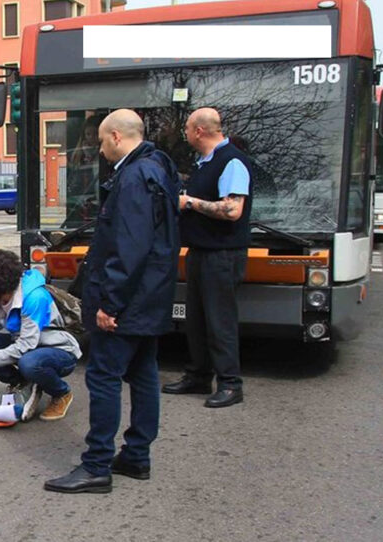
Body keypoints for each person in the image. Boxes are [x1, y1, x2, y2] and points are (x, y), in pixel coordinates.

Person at [45, 108, 180, 494]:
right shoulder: (159, 167)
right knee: (143, 373)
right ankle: (137, 456)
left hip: (128, 300)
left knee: (104, 377)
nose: (100, 149)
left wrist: (110, 304)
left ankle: (96, 465)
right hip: (151, 296)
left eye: (102, 141)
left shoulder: (135, 177)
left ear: (117, 137)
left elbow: (129, 247)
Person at [163, 107, 252, 409]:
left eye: (187, 128)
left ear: (199, 131)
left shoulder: (232, 162)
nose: (184, 134)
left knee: (219, 321)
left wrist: (189, 203)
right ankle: (198, 375)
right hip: (201, 251)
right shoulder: (205, 164)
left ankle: (230, 383)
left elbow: (232, 210)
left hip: (223, 254)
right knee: (196, 320)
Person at [0, 248, 81, 422]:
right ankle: (22, 383)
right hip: (27, 346)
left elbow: (26, 345)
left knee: (30, 363)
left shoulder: (34, 297)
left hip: (58, 351)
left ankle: (61, 393)